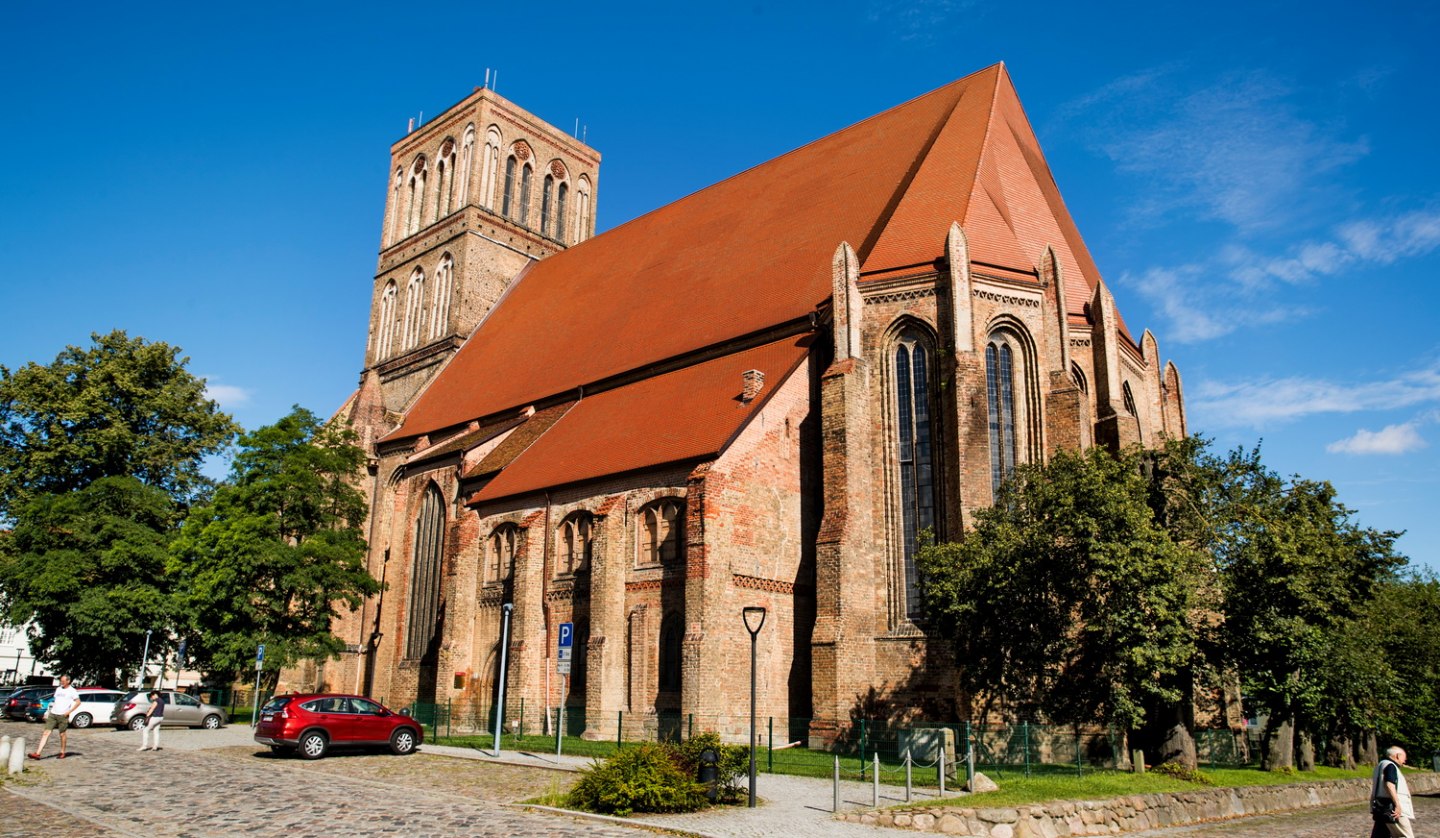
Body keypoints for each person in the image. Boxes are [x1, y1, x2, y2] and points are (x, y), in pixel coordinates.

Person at [28, 675, 80, 760]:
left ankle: (62, 752)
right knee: (46, 733)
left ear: (68, 681)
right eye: (61, 681)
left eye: (63, 681)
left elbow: (78, 702)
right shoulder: (58, 689)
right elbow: (54, 702)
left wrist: (69, 712)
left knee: (62, 734)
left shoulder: (72, 691)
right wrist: (47, 712)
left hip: (63, 715)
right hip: (53, 714)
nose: (61, 683)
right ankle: (37, 753)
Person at [1371, 745, 1416, 838]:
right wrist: (1398, 805)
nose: (1405, 760)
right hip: (1392, 809)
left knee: (1380, 835)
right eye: (1404, 757)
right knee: (1405, 835)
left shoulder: (1380, 766)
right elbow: (1389, 785)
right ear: (1397, 756)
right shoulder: (1391, 766)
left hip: (1380, 807)